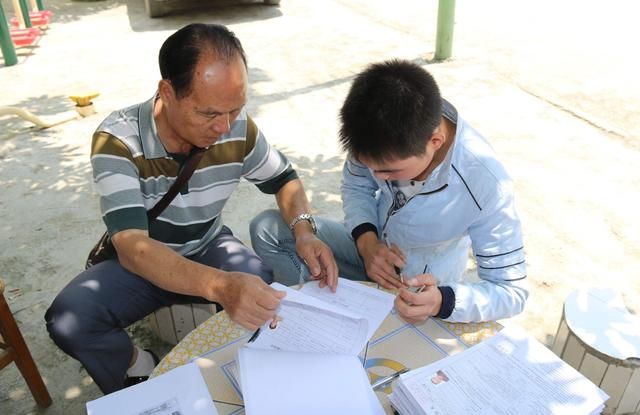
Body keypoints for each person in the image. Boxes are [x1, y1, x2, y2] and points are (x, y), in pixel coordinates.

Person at [44, 23, 337, 394]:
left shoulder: (237, 127)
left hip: (207, 245)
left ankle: (238, 380)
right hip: (141, 261)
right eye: (209, 113)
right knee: (71, 321)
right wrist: (220, 285)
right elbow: (134, 248)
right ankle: (136, 365)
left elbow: (284, 179)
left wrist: (304, 230)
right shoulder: (118, 140)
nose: (224, 126)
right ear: (167, 91)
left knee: (258, 286)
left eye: (236, 109)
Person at [251, 59, 528, 324]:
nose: (377, 177)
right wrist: (367, 242)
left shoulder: (486, 183)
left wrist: (441, 301)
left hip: (415, 292)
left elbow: (511, 291)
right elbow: (356, 184)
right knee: (269, 227)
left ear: (435, 141)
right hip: (369, 256)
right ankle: (313, 315)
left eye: (388, 172)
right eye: (369, 166)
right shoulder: (378, 132)